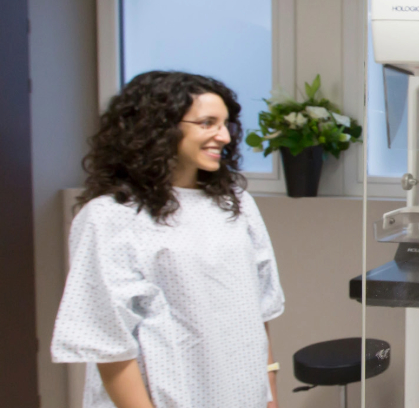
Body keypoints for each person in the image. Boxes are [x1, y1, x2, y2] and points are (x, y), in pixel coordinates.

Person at [51, 71, 286, 408]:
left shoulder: (235, 202)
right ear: (159, 129)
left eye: (226, 124)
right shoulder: (111, 216)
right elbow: (109, 342)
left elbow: (258, 309)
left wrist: (269, 393)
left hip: (240, 394)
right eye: (207, 123)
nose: (224, 136)